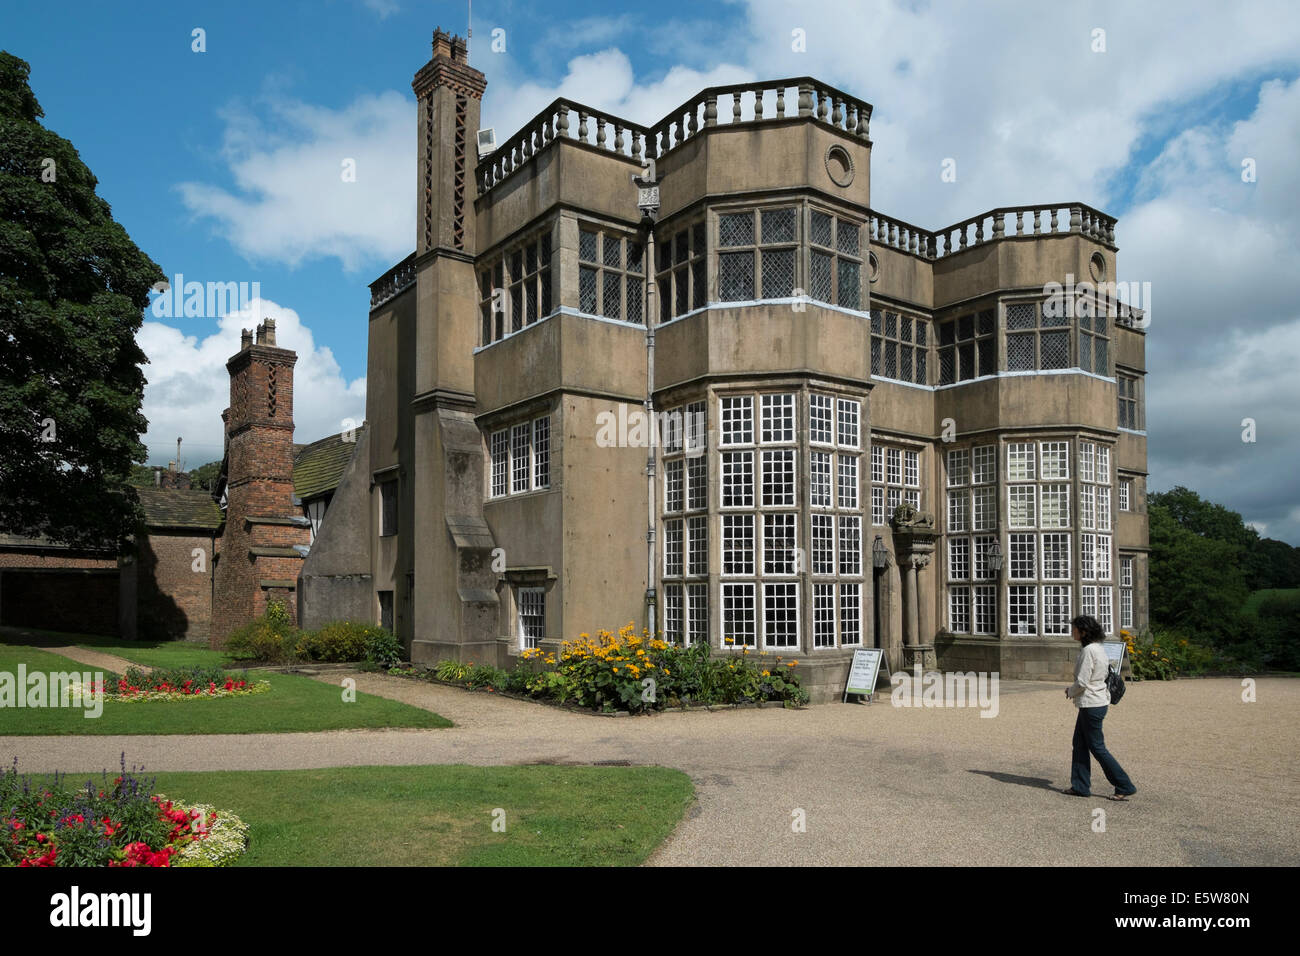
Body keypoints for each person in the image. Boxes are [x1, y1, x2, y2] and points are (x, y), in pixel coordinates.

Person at [1062, 615, 1137, 800]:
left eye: (1075, 628)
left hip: (1091, 703)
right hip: (1095, 702)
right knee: (1079, 744)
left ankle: (1124, 785)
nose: (1072, 631)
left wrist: (1070, 691)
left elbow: (1082, 681)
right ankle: (1080, 786)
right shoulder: (1098, 648)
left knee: (1097, 747)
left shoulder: (1089, 651)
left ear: (1084, 632)